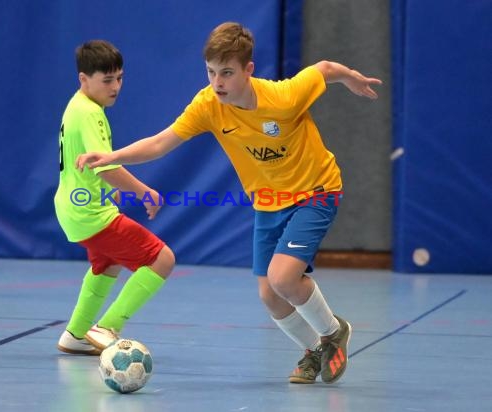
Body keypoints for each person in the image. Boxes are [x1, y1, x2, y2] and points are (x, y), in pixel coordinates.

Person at [76, 23, 382, 383]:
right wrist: (112, 156)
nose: (217, 81)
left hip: (316, 190)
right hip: (268, 201)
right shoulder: (208, 105)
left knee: (283, 278)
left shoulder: (284, 97)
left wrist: (350, 78)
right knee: (270, 295)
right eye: (210, 72)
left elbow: (325, 69)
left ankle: (333, 333)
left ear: (248, 70)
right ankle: (314, 351)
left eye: (226, 73)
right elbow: (161, 142)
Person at [54, 40, 175, 355]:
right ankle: (107, 327)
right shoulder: (89, 112)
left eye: (119, 78)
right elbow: (103, 166)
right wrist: (143, 191)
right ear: (84, 79)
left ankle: (75, 334)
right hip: (89, 213)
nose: (116, 86)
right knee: (162, 259)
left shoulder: (78, 106)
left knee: (107, 264)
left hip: (74, 208)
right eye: (107, 80)